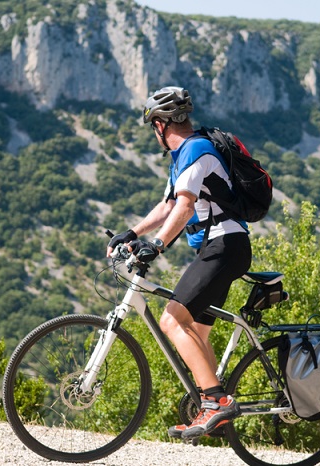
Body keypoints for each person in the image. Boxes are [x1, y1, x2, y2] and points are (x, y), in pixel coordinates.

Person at [106, 86, 252, 440]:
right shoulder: (185, 154)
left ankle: (217, 403)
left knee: (172, 319)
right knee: (195, 333)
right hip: (218, 249)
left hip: (224, 245)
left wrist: (155, 246)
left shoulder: (195, 149)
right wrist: (131, 233)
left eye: (152, 125)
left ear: (159, 124)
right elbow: (169, 206)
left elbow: (185, 208)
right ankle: (213, 410)